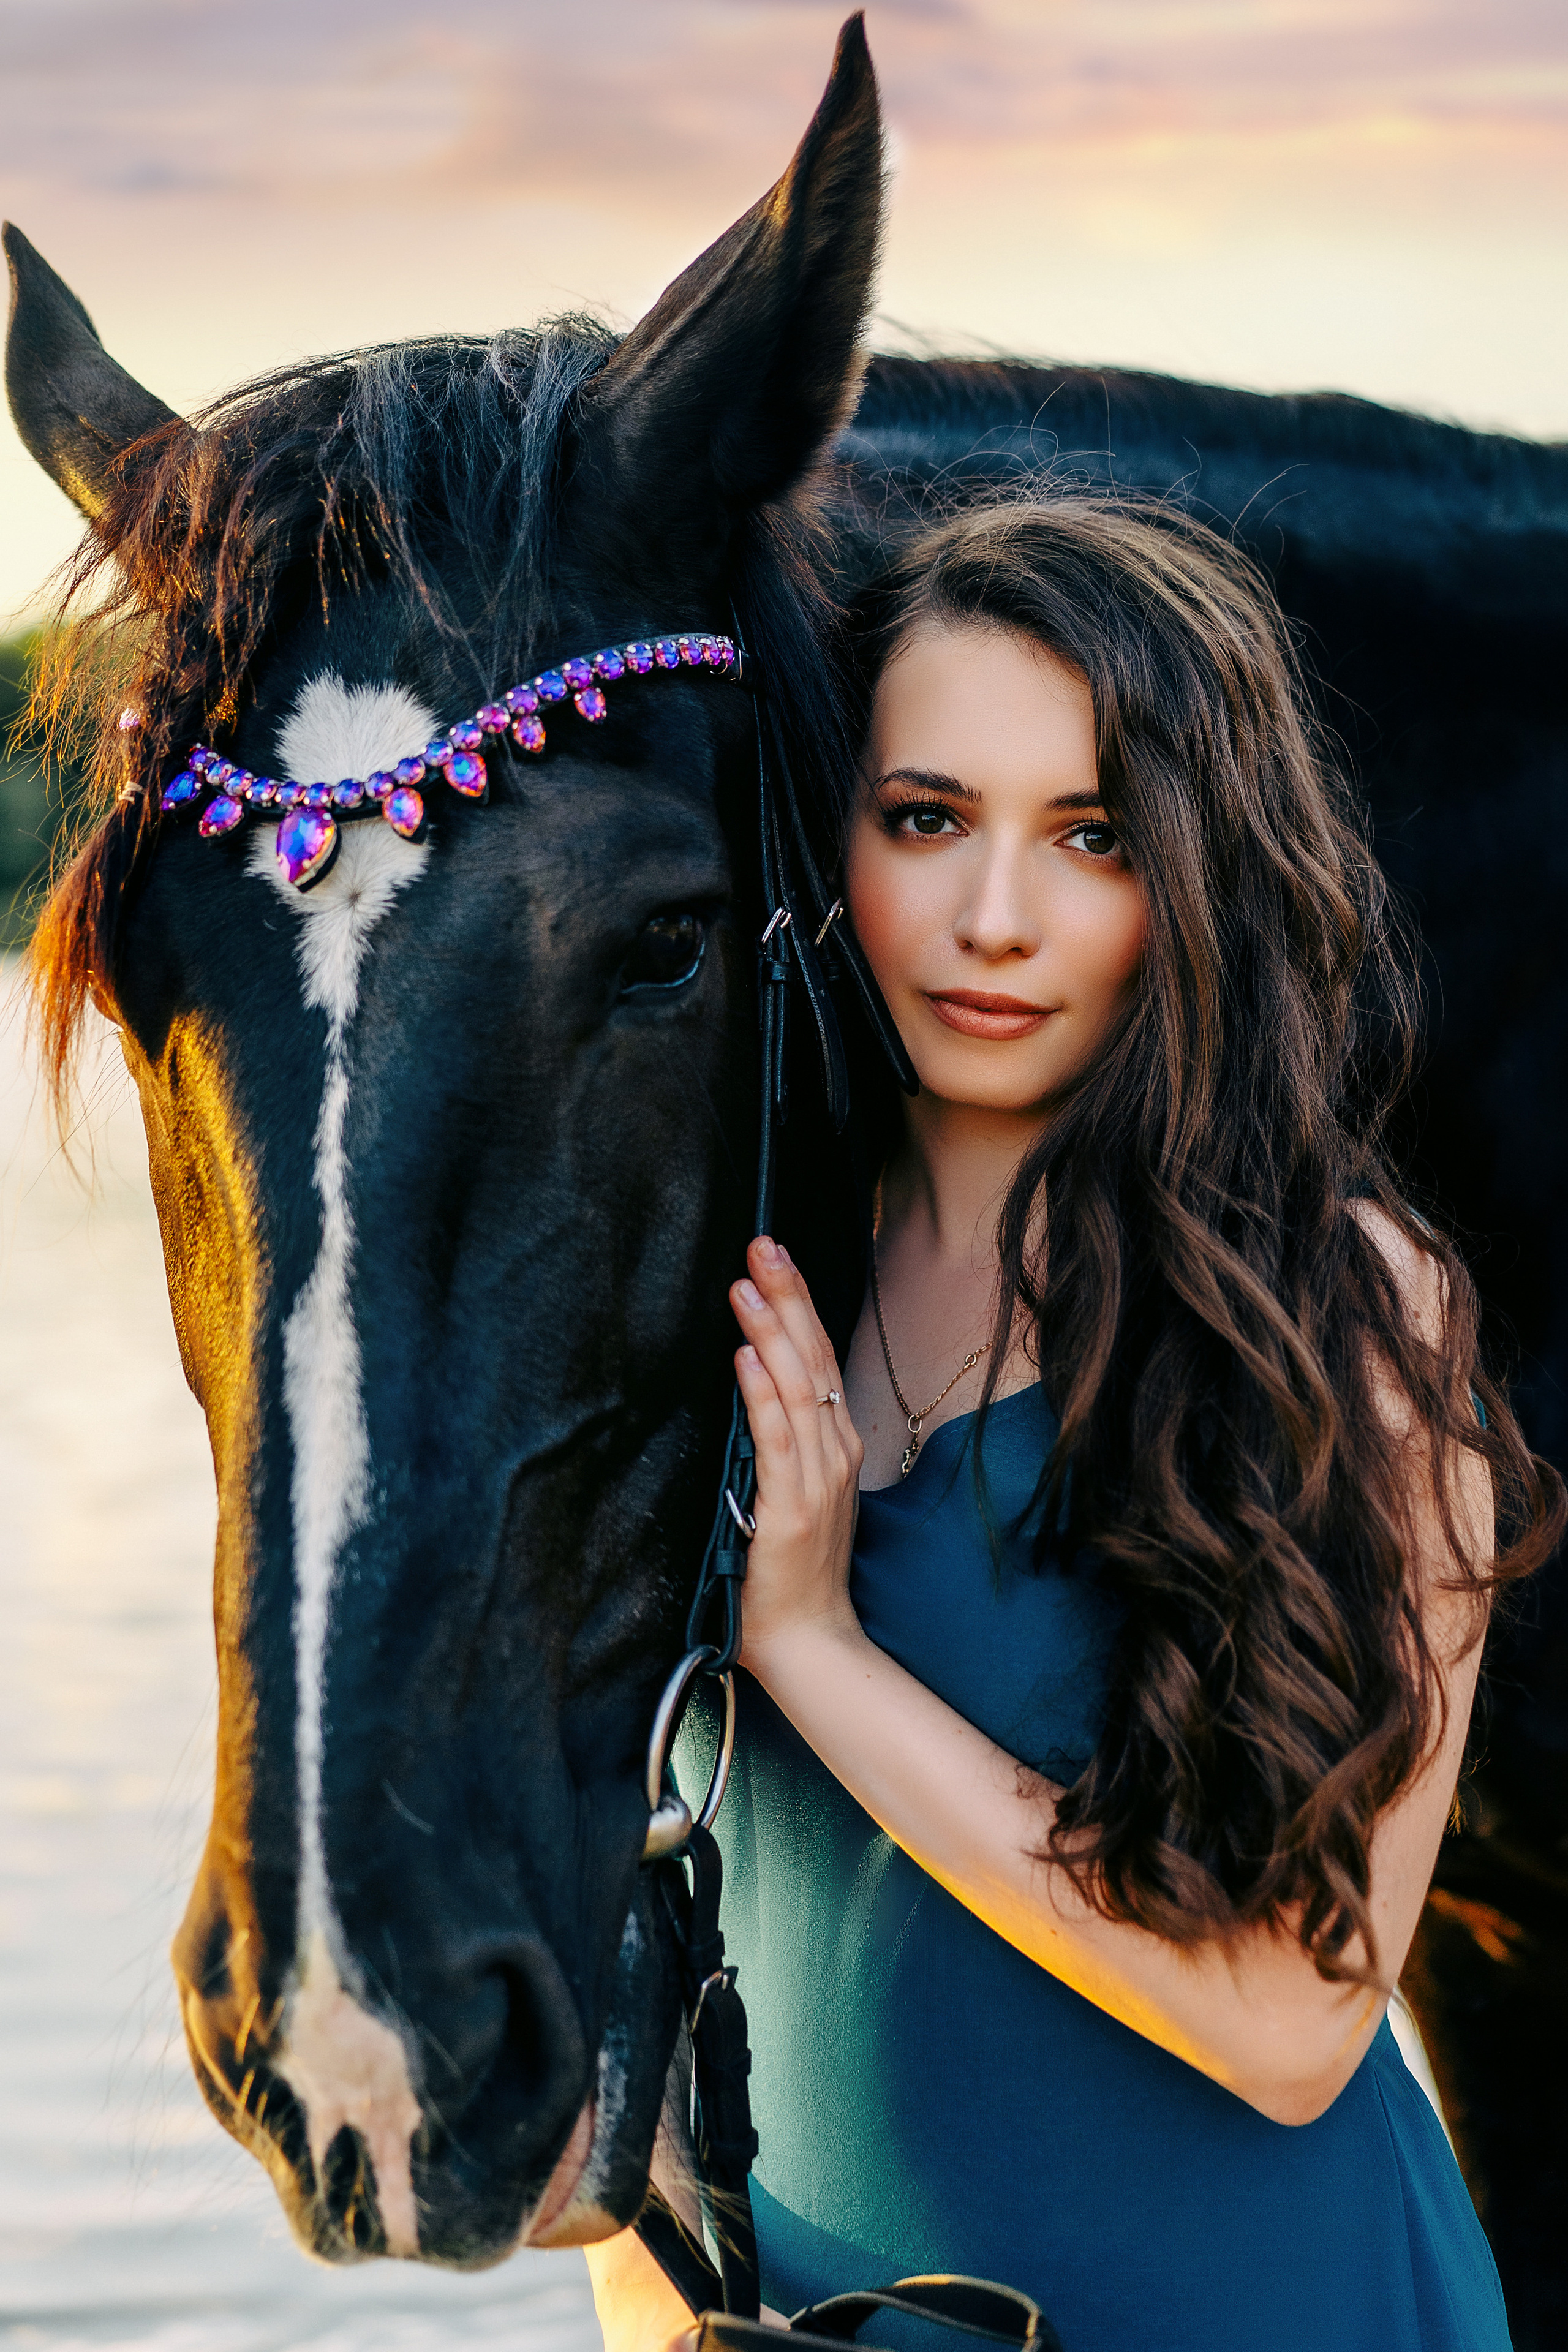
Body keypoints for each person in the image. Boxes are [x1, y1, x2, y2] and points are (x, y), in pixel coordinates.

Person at [586, 499, 1564, 2352]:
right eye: (928, 819)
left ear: (1197, 876)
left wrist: (813, 1645)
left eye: (1092, 837)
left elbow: (1293, 2021)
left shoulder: (1341, 1312)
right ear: (833, 835)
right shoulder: (730, 1271)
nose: (995, 920)